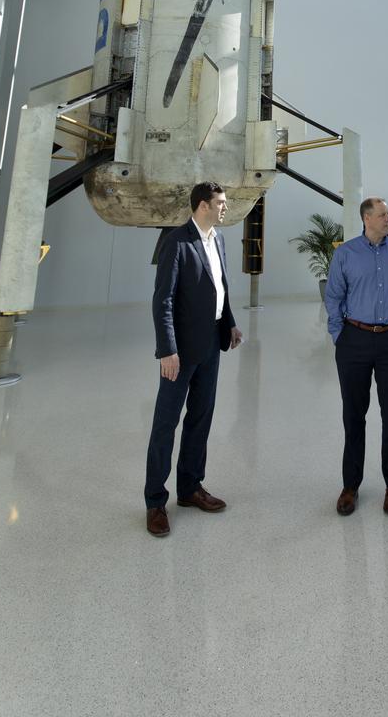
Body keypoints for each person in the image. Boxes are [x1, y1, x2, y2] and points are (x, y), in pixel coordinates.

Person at [144, 182, 242, 537]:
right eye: (220, 203)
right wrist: (166, 350)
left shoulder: (218, 240)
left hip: (211, 347)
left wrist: (229, 323)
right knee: (165, 425)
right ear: (202, 205)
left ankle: (189, 489)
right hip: (180, 353)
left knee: (200, 420)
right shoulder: (176, 242)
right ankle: (155, 501)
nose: (225, 208)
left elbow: (221, 287)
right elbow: (163, 301)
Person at [325, 197, 388, 516]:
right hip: (354, 340)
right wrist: (339, 335)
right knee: (354, 416)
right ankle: (350, 486)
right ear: (366, 219)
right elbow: (333, 295)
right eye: (382, 215)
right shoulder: (346, 253)